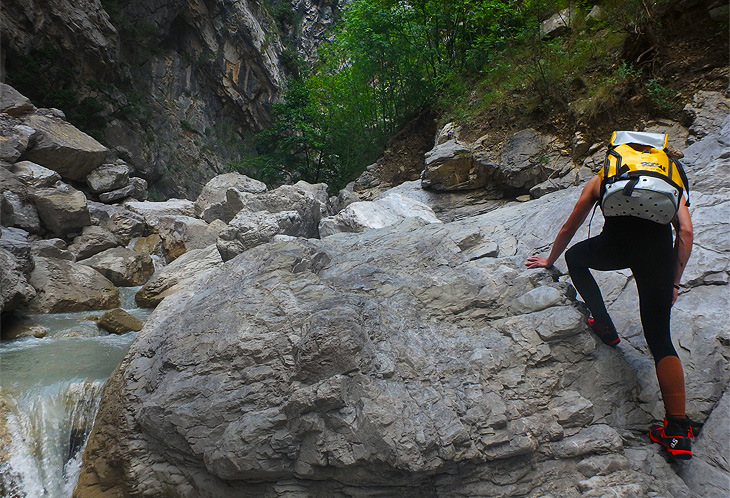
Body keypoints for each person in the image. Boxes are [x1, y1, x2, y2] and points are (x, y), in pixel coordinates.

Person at [525, 156, 694, 459]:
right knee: (660, 339)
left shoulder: (604, 178)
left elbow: (570, 224)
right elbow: (686, 232)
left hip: (612, 250)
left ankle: (604, 324)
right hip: (656, 261)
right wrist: (674, 281)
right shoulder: (669, 183)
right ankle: (678, 431)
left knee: (575, 258)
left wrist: (549, 260)